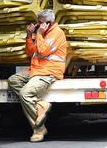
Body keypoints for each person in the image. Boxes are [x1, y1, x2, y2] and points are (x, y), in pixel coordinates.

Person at [7, 9, 67, 143]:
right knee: (13, 80)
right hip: (36, 70)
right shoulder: (42, 33)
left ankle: (39, 129)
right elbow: (30, 52)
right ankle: (40, 105)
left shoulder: (57, 33)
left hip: (48, 71)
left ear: (49, 23)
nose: (38, 25)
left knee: (25, 94)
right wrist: (29, 35)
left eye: (40, 23)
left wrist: (38, 34)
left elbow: (43, 51)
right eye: (37, 23)